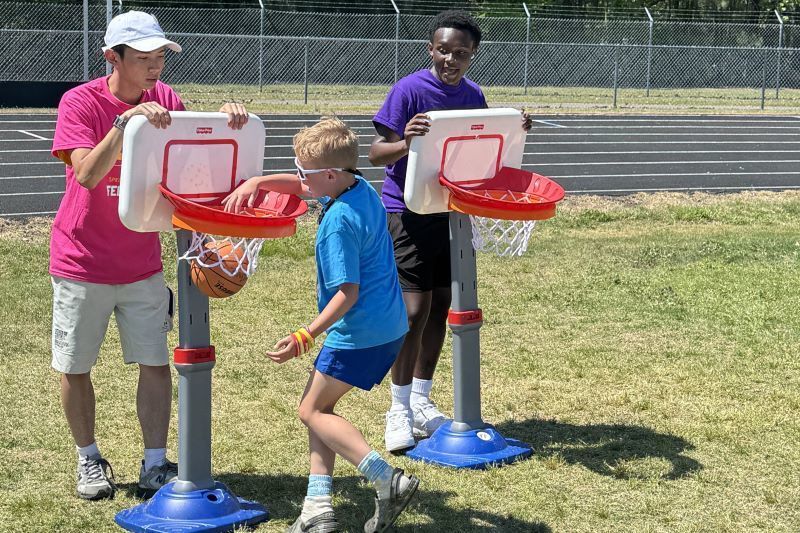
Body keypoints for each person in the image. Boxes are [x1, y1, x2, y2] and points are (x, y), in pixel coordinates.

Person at [50, 10, 249, 500]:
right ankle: (89, 460)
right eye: (142, 58)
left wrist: (228, 121)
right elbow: (88, 176)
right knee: (76, 366)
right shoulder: (79, 102)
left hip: (142, 260)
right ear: (111, 58)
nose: (155, 67)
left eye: (160, 56)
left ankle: (156, 464)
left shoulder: (167, 98)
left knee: (156, 362)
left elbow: (192, 164)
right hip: (82, 260)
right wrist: (124, 124)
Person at [222, 117, 418, 533]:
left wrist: (304, 335)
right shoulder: (360, 187)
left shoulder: (336, 225)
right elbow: (307, 185)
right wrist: (258, 182)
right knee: (321, 408)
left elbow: (348, 293)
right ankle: (317, 508)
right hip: (390, 325)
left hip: (359, 332)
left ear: (329, 175)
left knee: (310, 409)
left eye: (302, 172)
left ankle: (387, 479)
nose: (297, 178)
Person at [369, 10, 533, 452]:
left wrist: (514, 128)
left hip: (452, 213)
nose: (450, 59)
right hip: (408, 211)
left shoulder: (474, 93)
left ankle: (422, 400)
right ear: (431, 49)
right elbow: (374, 154)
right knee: (412, 311)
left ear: (472, 55)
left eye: (460, 53)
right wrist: (406, 139)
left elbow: (481, 144)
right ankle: (398, 410)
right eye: (443, 50)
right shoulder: (408, 89)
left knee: (444, 304)